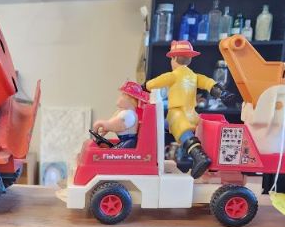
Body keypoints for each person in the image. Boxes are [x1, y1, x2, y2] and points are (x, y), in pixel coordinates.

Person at [145, 40, 226, 178]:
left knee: (181, 131)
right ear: (190, 59)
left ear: (174, 58)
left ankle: (199, 156)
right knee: (160, 125)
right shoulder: (193, 76)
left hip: (178, 113)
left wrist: (144, 86)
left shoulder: (173, 75)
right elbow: (207, 82)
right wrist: (217, 90)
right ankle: (153, 152)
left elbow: (155, 83)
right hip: (191, 113)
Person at [91, 81, 150, 148]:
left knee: (113, 152)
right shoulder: (124, 112)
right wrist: (107, 128)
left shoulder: (129, 115)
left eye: (123, 95)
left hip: (128, 141)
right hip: (124, 140)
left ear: (131, 99)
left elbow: (117, 125)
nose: (119, 98)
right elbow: (113, 122)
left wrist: (101, 124)